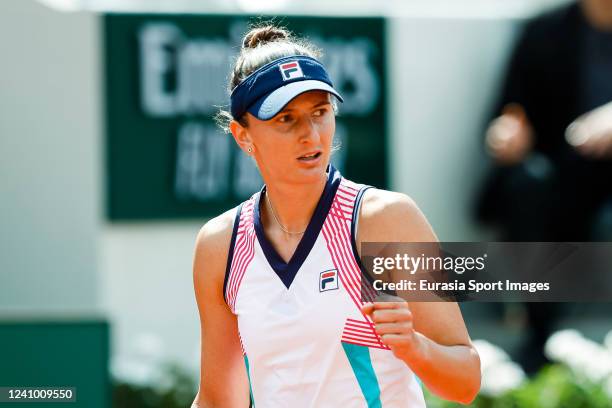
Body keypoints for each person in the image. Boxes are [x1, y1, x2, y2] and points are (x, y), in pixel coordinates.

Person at [192, 24, 481, 407]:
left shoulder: (385, 219)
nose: (310, 134)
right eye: (286, 119)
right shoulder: (220, 245)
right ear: (243, 135)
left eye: (319, 112)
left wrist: (414, 347)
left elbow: (466, 382)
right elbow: (218, 401)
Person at [475, 0, 612, 374]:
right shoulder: (546, 30)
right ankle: (539, 338)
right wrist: (506, 135)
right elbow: (509, 110)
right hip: (565, 175)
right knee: (526, 184)